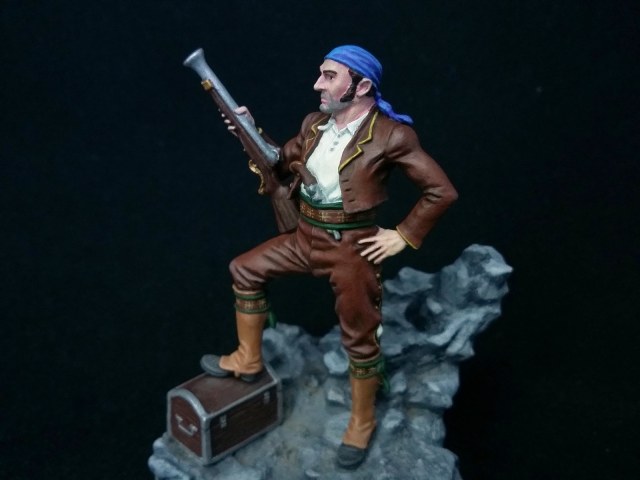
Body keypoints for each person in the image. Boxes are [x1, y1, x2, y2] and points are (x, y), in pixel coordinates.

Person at [200, 45, 458, 469]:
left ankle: (361, 420)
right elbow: (278, 162)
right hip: (305, 235)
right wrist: (248, 130)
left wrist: (403, 235)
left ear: (362, 85)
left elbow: (441, 191)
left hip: (351, 248)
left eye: (329, 76)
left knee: (360, 336)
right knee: (244, 269)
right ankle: (248, 358)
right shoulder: (315, 124)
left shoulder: (391, 135)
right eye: (321, 74)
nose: (318, 84)